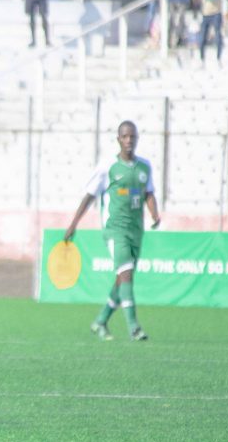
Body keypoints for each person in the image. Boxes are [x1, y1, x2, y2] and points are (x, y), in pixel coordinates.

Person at [63, 121, 161, 342]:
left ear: (137, 139)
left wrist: (155, 214)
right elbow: (89, 196)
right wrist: (73, 224)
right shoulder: (107, 167)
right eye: (124, 136)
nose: (129, 140)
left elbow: (148, 193)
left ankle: (100, 321)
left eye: (132, 136)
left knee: (123, 278)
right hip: (115, 229)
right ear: (118, 139)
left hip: (136, 230)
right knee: (126, 273)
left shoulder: (144, 167)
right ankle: (134, 327)